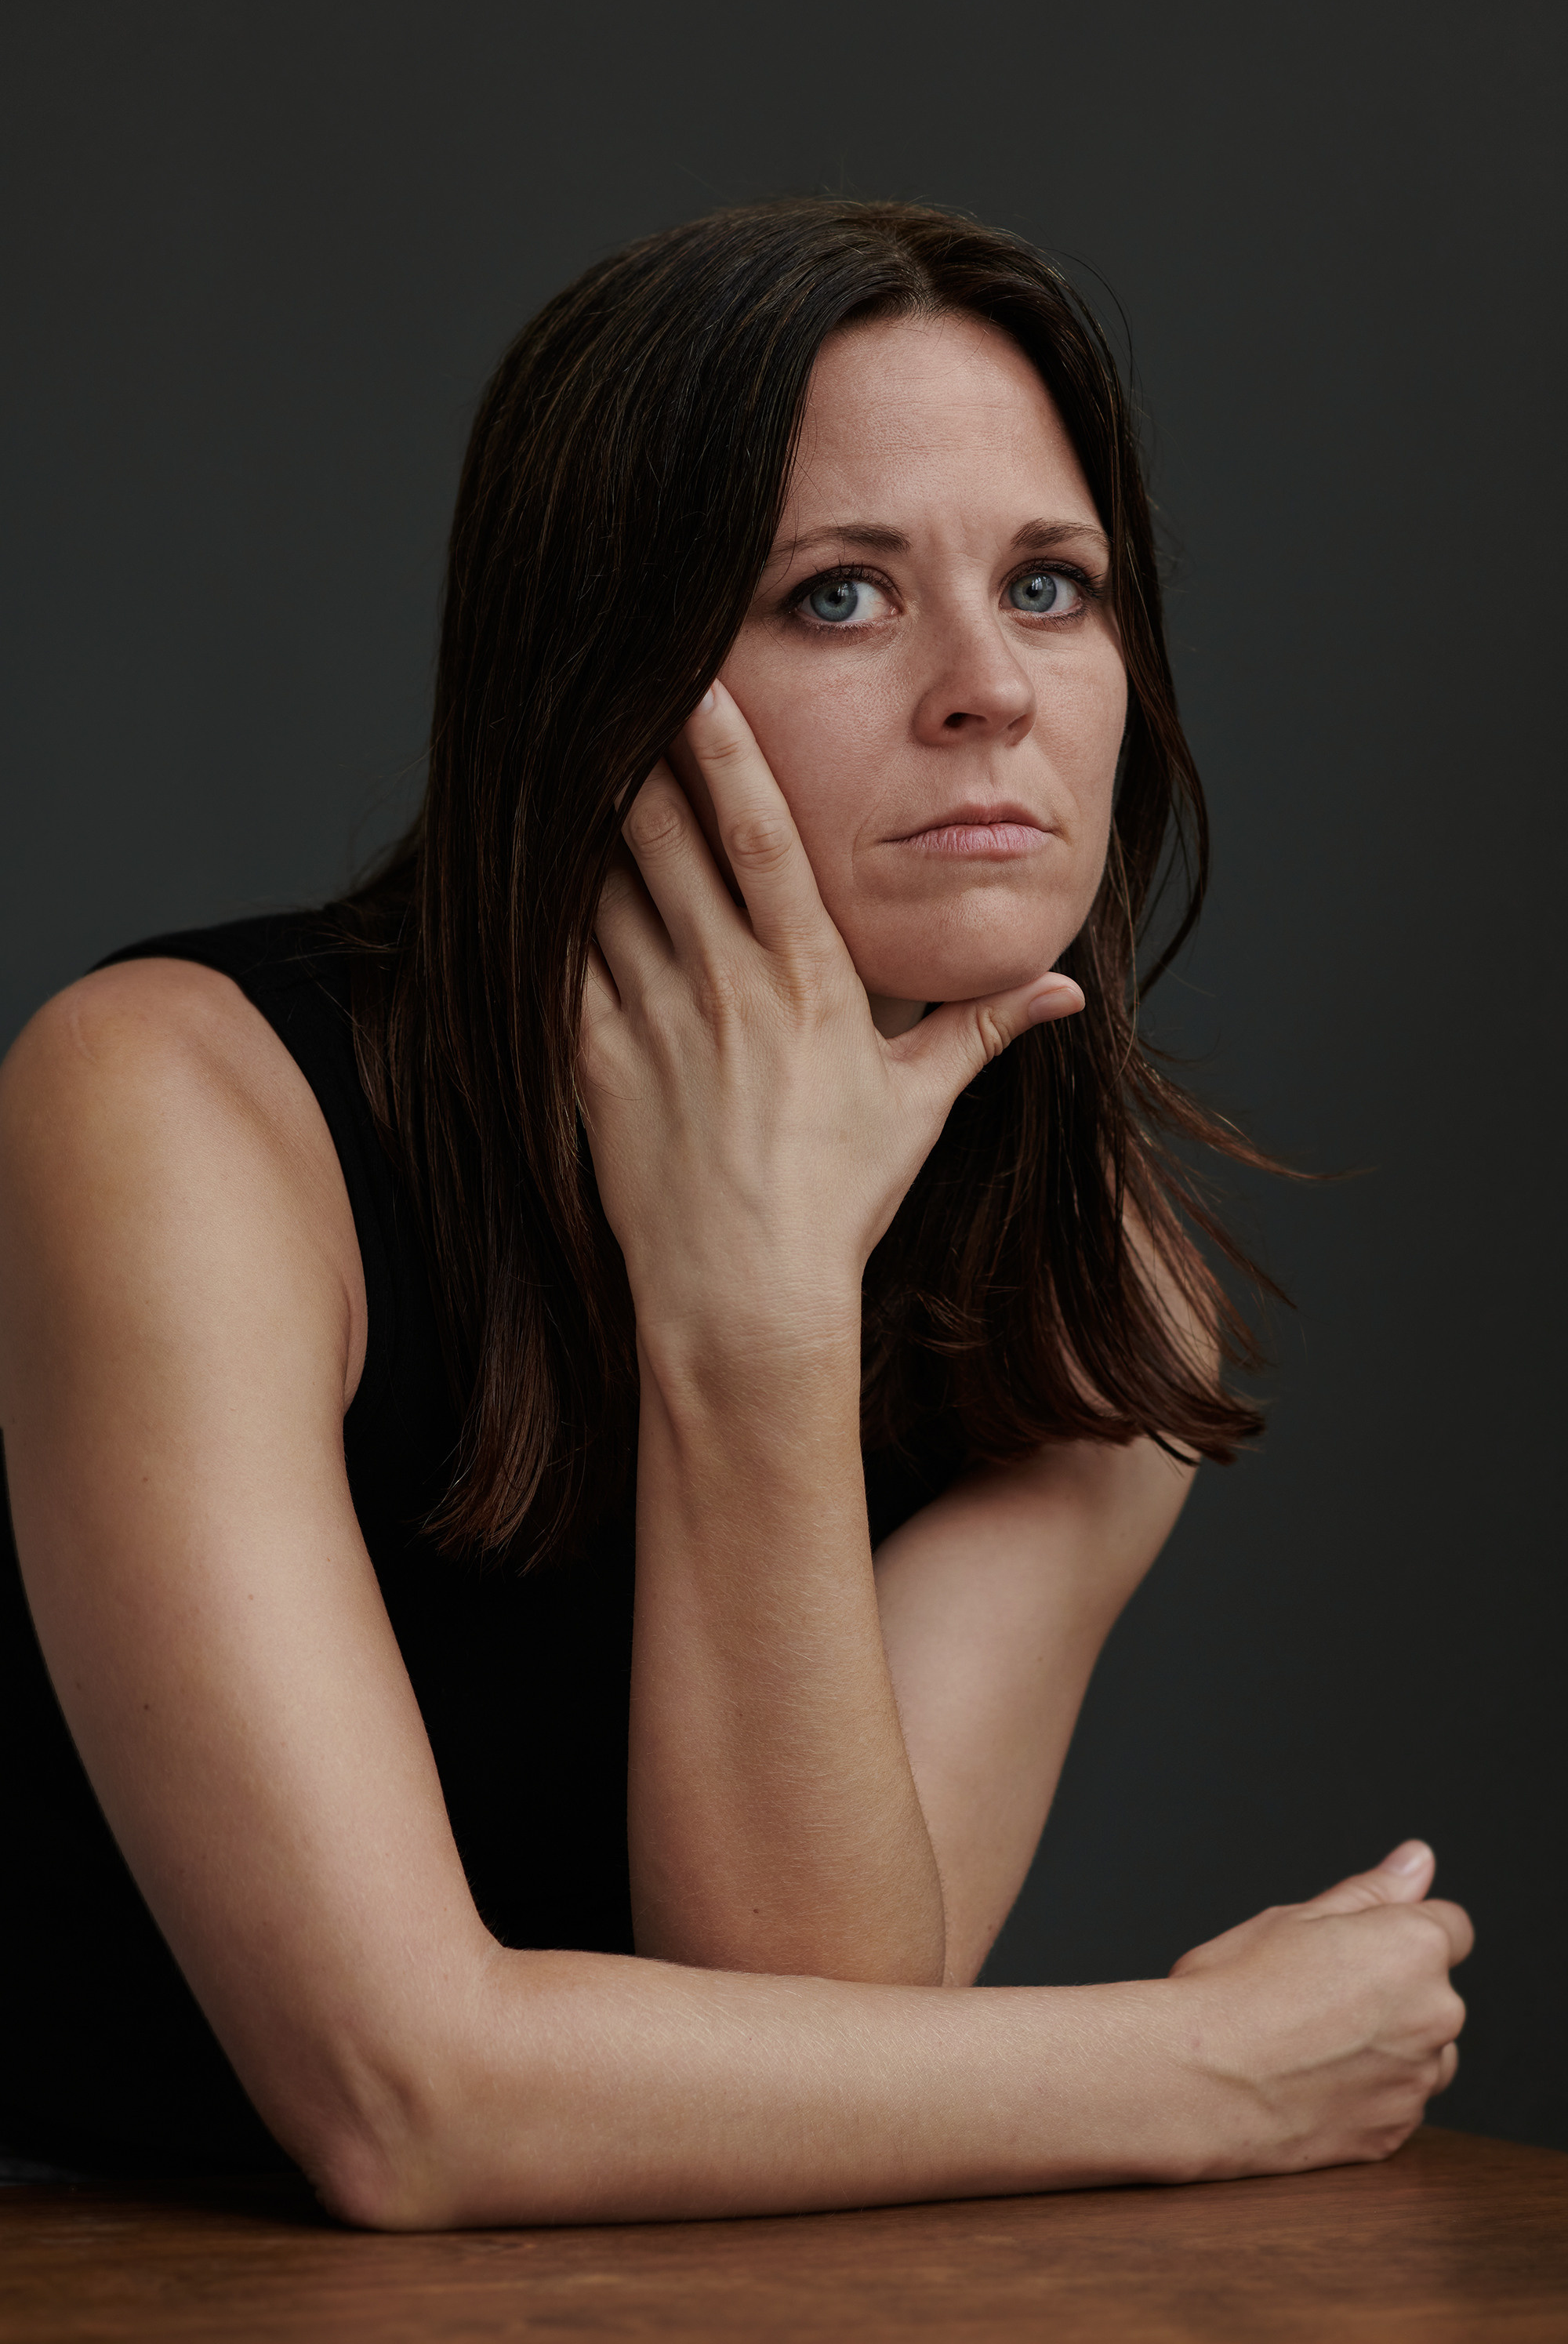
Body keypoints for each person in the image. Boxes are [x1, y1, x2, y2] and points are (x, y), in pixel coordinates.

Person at [0, 199, 1469, 2226]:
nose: (991, 692)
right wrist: (1207, 2063)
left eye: (1052, 586)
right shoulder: (176, 1106)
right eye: (840, 598)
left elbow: (821, 2047)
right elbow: (401, 2100)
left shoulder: (1099, 1299)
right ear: (605, 680)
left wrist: (755, 1301)